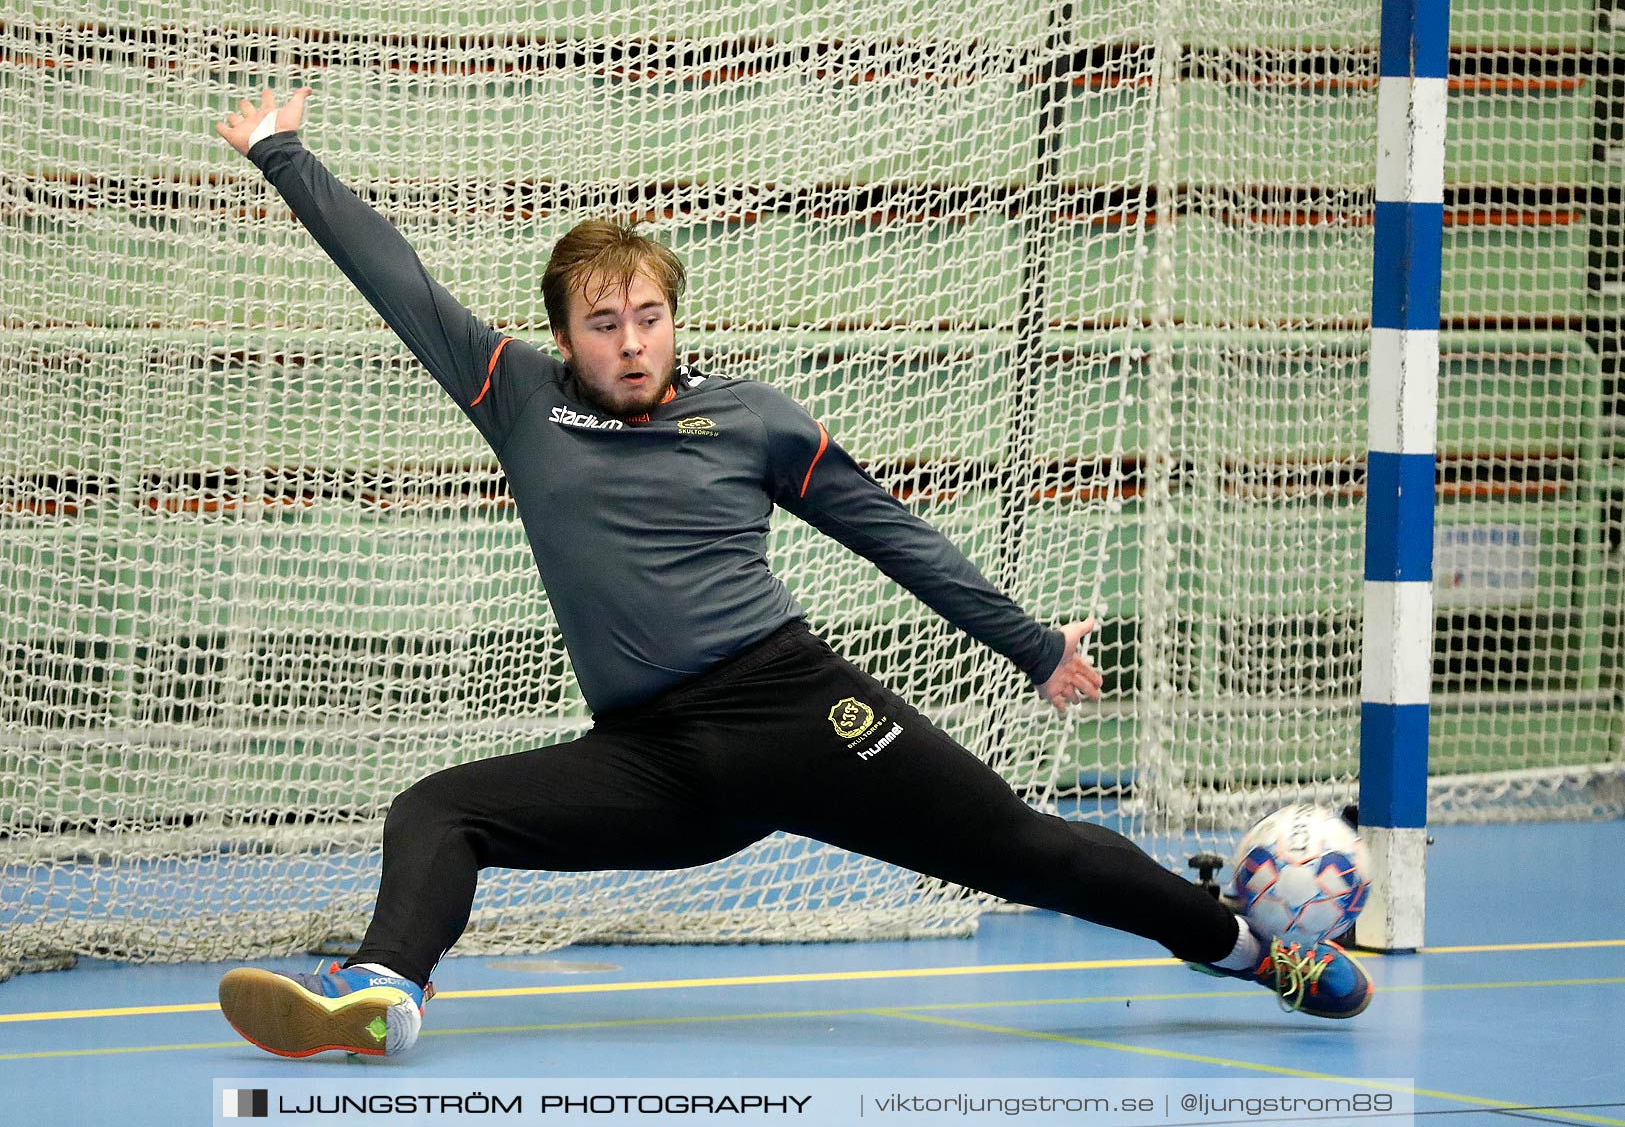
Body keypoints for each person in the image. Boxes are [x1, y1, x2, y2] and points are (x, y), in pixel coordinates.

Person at [211, 88, 1372, 1058]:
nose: (629, 341)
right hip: (652, 765)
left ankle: (1252, 950)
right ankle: (385, 995)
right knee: (439, 810)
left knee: (1031, 850)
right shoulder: (513, 394)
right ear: (561, 335)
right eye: (602, 322)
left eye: (648, 316)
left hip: (800, 712)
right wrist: (282, 153)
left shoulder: (753, 419)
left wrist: (1032, 647)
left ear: (674, 321)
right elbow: (397, 280)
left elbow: (891, 535)